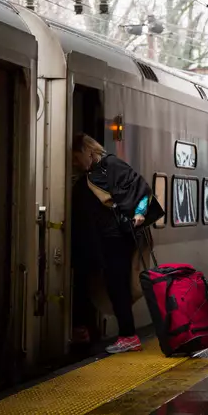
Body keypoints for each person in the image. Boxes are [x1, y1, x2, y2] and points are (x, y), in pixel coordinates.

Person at [69, 133, 163, 354]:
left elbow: (140, 192)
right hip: (111, 239)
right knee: (114, 287)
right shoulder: (98, 171)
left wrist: (134, 217)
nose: (75, 163)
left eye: (76, 157)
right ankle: (125, 335)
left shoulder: (108, 166)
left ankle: (128, 336)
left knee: (118, 287)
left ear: (87, 152)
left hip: (116, 239)